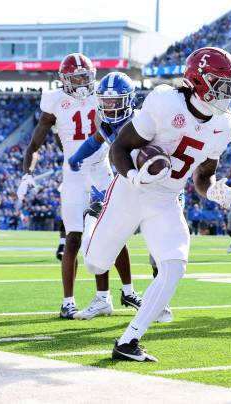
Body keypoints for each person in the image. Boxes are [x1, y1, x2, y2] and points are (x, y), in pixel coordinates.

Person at [84, 47, 231, 362]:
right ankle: (92, 219)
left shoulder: (224, 125)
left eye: (229, 84)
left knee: (174, 263)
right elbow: (121, 147)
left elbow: (203, 176)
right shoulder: (165, 102)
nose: (226, 92)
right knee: (95, 264)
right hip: (130, 191)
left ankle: (128, 342)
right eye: (219, 83)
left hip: (166, 198)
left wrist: (212, 191)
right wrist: (131, 178)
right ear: (198, 79)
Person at [18, 53, 125, 320]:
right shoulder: (54, 100)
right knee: (74, 238)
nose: (81, 82)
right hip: (74, 173)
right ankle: (68, 301)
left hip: (102, 170)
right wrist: (26, 174)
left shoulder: (103, 94)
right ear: (64, 80)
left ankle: (106, 297)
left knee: (107, 234)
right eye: (75, 77)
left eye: (85, 77)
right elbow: (34, 145)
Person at [66, 72, 142, 320]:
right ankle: (106, 297)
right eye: (105, 101)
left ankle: (156, 301)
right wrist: (77, 157)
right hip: (124, 183)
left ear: (129, 100)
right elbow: (95, 140)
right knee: (104, 233)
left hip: (150, 187)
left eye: (115, 101)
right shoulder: (107, 122)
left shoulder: (142, 122)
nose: (109, 106)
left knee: (160, 250)